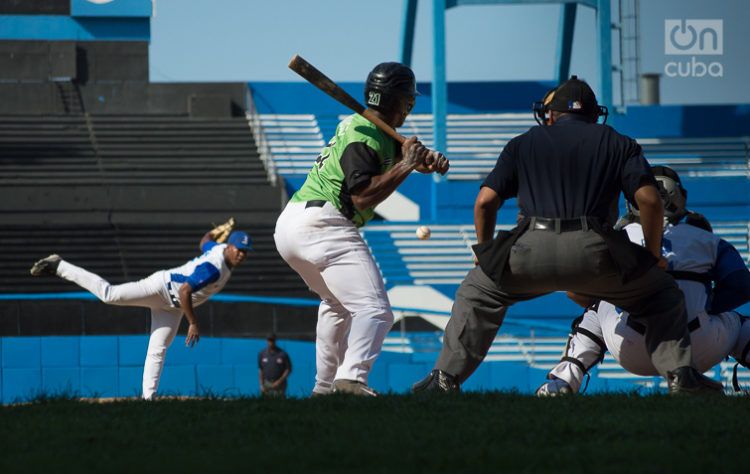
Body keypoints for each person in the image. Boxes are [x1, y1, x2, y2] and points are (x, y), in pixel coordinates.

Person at [412, 76, 722, 395]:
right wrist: (653, 255)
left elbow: (485, 201)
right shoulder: (618, 141)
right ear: (593, 115)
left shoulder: (524, 141)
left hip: (529, 250)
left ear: (551, 115)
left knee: (477, 293)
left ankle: (444, 378)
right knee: (662, 294)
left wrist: (486, 250)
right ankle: (681, 376)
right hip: (597, 253)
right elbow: (649, 200)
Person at [274, 61, 449, 396]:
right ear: (404, 102)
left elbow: (396, 156)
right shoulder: (363, 136)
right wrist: (408, 163)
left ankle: (324, 389)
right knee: (376, 310)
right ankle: (351, 378)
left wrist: (418, 163)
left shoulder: (363, 127)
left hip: (291, 225)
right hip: (324, 224)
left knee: (336, 305)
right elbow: (362, 197)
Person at [536, 166, 750, 395]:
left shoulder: (619, 238)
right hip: (700, 347)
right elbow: (742, 285)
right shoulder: (709, 240)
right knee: (736, 321)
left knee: (597, 307)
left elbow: (575, 292)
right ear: (681, 196)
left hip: (632, 345)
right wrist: (709, 306)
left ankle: (563, 381)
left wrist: (620, 296)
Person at [29, 223, 251, 400]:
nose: (242, 254)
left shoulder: (219, 248)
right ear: (230, 247)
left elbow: (204, 242)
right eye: (239, 250)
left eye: (245, 252)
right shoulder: (214, 268)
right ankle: (59, 266)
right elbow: (185, 291)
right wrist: (192, 322)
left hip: (172, 307)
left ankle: (148, 398)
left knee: (159, 348)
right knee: (110, 295)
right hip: (162, 288)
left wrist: (213, 232)